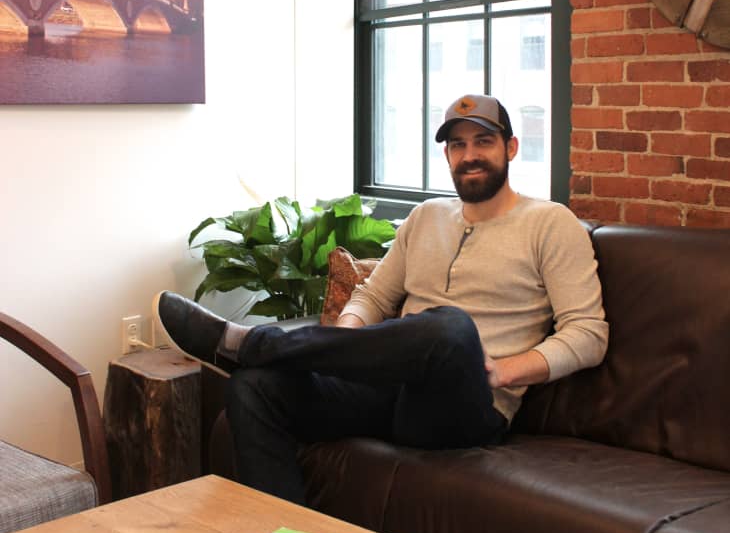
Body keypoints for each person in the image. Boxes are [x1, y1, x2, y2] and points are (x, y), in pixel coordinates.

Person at [155, 93, 608, 505]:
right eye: (457, 146)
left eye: (483, 142)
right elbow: (372, 296)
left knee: (448, 326)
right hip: (388, 393)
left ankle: (251, 344)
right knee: (254, 388)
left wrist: (504, 370)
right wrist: (346, 341)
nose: (469, 156)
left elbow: (588, 335)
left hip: (467, 405)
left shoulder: (551, 223)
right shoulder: (425, 216)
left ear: (510, 148)